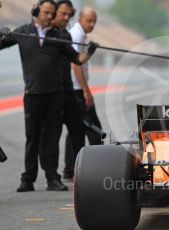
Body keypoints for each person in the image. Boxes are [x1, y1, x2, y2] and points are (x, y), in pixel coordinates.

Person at [0, 0, 98, 192]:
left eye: (52, 14)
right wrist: (2, 33)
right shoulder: (22, 32)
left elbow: (77, 59)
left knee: (52, 138)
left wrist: (90, 51)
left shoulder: (60, 35)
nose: (50, 17)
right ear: (36, 12)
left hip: (55, 96)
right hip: (33, 94)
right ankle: (27, 179)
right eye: (46, 13)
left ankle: (52, 178)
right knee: (32, 137)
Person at [40, 0, 86, 182]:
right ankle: (51, 175)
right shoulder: (44, 35)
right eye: (63, 14)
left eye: (69, 15)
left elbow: (76, 59)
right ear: (53, 13)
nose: (67, 18)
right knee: (51, 135)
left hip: (67, 91)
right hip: (51, 92)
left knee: (78, 129)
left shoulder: (64, 34)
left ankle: (77, 170)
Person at [65, 7, 104, 171]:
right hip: (77, 90)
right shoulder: (77, 35)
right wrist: (86, 91)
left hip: (75, 88)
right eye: (89, 20)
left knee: (76, 129)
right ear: (80, 19)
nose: (92, 24)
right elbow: (76, 65)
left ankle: (70, 168)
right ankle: (97, 167)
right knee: (95, 130)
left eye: (94, 21)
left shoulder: (78, 33)